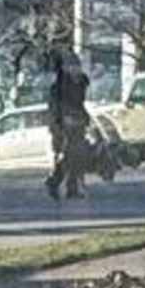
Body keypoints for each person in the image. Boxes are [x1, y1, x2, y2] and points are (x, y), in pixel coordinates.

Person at [43, 46, 93, 200]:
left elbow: (79, 104)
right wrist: (59, 125)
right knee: (66, 156)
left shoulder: (80, 84)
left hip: (77, 124)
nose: (75, 69)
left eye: (77, 65)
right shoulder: (59, 86)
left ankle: (73, 187)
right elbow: (56, 108)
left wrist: (85, 117)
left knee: (78, 156)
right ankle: (54, 181)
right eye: (72, 65)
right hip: (62, 126)